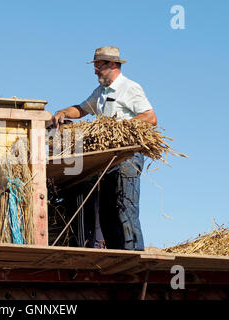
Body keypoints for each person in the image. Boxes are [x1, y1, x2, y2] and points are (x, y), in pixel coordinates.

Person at [50, 46, 157, 251]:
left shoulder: (129, 88)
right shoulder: (101, 92)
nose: (95, 71)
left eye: (98, 66)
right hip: (107, 160)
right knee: (107, 212)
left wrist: (116, 128)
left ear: (111, 65)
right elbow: (82, 109)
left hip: (127, 157)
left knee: (124, 207)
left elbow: (150, 118)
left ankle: (134, 255)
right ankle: (116, 255)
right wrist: (63, 111)